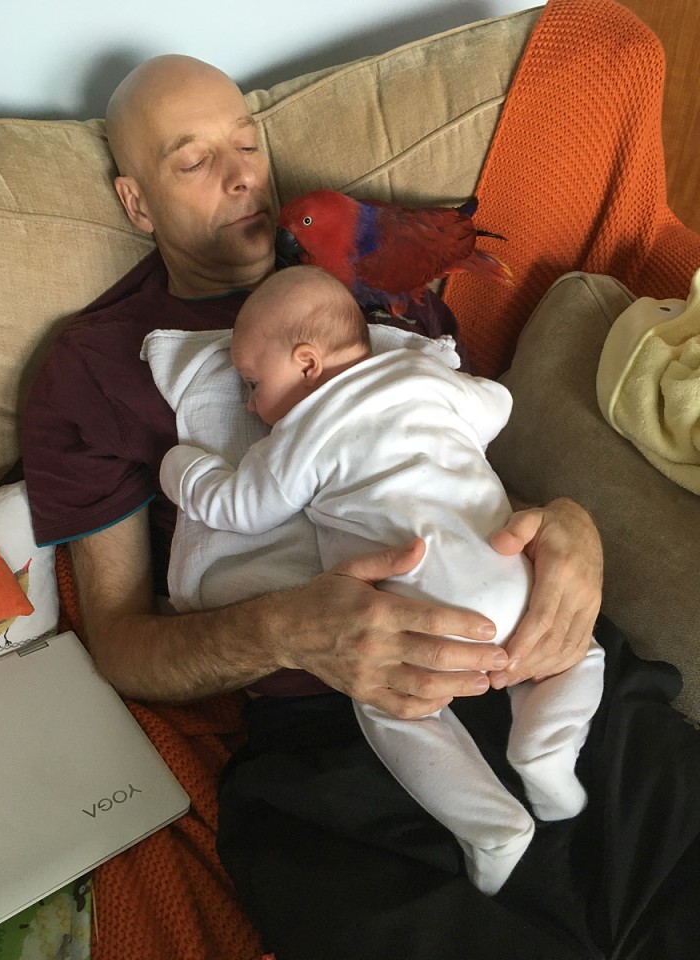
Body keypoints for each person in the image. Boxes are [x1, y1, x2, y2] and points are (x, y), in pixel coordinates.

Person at [20, 53, 700, 960]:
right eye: (193, 160)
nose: (242, 176)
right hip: (332, 741)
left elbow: (464, 470)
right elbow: (117, 641)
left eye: (247, 143)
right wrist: (289, 632)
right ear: (136, 203)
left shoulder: (372, 295)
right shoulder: (94, 366)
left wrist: (571, 525)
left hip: (530, 648)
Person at [158, 264, 606, 896]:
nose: (250, 403)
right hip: (508, 572)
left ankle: (491, 825)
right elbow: (498, 404)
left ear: (307, 363)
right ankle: (547, 747)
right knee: (574, 651)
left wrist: (182, 468)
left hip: (417, 615)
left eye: (253, 383)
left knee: (392, 710)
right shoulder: (422, 374)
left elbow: (238, 508)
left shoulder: (300, 436)